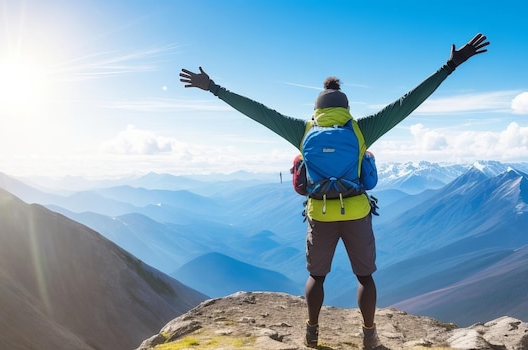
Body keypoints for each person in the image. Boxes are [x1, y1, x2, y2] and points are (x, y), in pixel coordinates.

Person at [180, 33, 489, 350]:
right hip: (357, 212)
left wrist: (214, 88)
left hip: (320, 214)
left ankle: (311, 335)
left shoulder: (303, 131)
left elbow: (258, 111)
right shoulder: (361, 129)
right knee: (365, 278)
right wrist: (450, 66)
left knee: (317, 277)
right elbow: (407, 103)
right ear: (346, 108)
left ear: (317, 110)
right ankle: (369, 336)